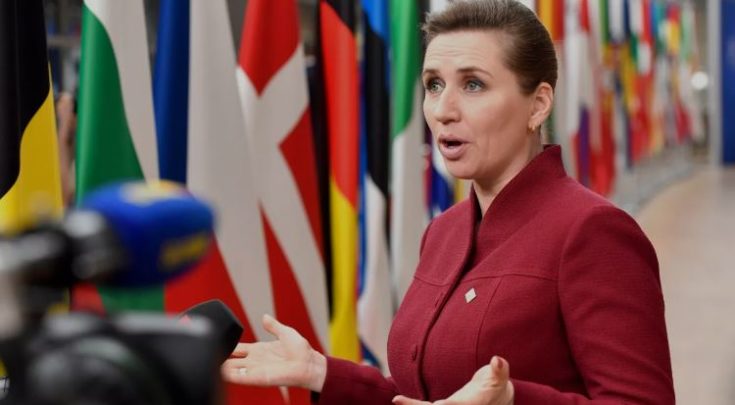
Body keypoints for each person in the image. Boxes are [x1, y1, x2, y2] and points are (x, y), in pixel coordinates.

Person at [222, 1, 675, 404]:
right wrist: (321, 372)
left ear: (538, 105)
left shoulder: (593, 231)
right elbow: (425, 393)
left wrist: (512, 399)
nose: (443, 110)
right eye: (434, 84)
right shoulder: (444, 231)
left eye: (473, 85)